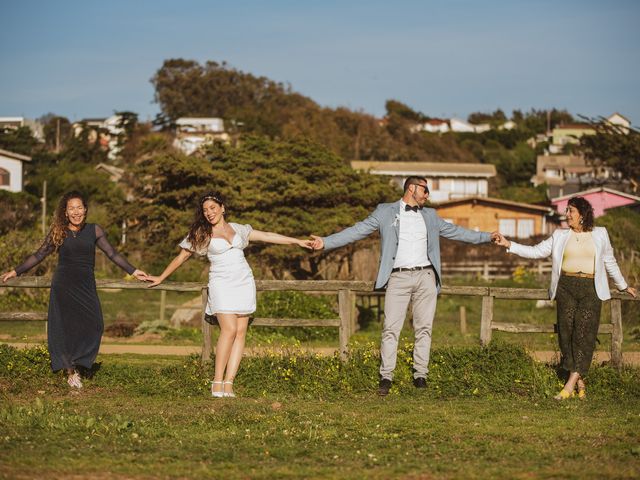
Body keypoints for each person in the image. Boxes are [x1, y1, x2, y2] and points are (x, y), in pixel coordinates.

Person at [310, 176, 500, 396]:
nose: (428, 195)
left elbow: (458, 232)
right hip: (397, 278)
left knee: (424, 328)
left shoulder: (431, 216)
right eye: (425, 190)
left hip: (426, 276)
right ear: (412, 188)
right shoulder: (384, 212)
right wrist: (326, 242)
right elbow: (357, 230)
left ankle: (421, 375)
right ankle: (386, 377)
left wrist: (487, 236)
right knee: (390, 328)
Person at [146, 191, 313, 398]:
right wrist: (161, 277)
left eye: (213, 208)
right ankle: (216, 381)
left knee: (241, 332)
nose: (209, 213)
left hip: (243, 281)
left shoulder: (239, 229)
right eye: (205, 210)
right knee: (229, 329)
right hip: (221, 282)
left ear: (222, 208)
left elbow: (268, 236)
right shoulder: (202, 233)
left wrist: (297, 241)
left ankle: (229, 383)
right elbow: (182, 257)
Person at [494, 196, 636, 400]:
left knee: (584, 334)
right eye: (567, 210)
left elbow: (609, 261)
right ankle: (579, 379)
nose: (566, 214)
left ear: (582, 214)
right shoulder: (560, 235)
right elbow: (536, 251)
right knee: (566, 334)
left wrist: (623, 286)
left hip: (591, 289)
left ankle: (568, 386)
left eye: (571, 211)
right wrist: (509, 244)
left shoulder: (600, 234)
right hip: (566, 288)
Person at [1, 191, 148, 388]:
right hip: (63, 285)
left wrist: (134, 270)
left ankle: (79, 362)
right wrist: (15, 271)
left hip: (86, 284)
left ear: (85, 210)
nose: (76, 212)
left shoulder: (94, 230)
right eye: (72, 208)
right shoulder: (58, 231)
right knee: (64, 329)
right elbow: (39, 255)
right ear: (66, 212)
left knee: (96, 324)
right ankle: (71, 371)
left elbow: (112, 253)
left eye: (79, 208)